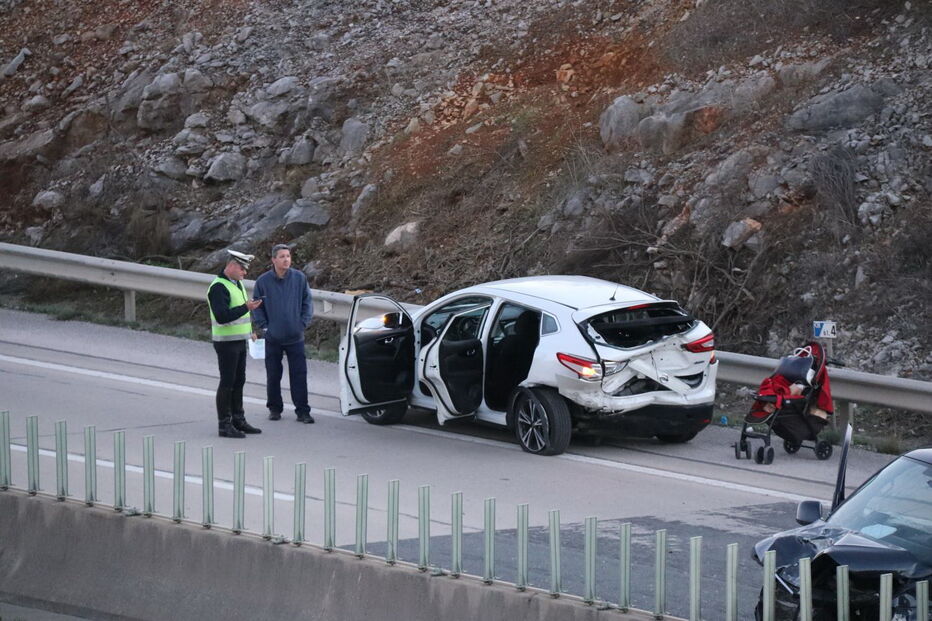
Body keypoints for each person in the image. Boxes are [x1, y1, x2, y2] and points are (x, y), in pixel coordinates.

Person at [252, 244, 315, 423]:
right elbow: (257, 306)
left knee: (299, 375)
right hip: (273, 337)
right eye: (282, 256)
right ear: (273, 260)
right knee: (273, 374)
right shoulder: (263, 282)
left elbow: (307, 302)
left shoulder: (299, 278)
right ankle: (274, 408)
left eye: (288, 256)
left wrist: (301, 323)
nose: (286, 259)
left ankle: (303, 411)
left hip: (295, 337)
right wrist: (265, 328)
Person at [207, 250, 263, 438]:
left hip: (239, 341)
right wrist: (245, 307)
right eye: (241, 268)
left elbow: (241, 314)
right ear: (230, 266)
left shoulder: (236, 283)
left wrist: (250, 331)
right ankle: (224, 425)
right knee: (227, 383)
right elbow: (222, 317)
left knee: (239, 381)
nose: (244, 272)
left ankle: (238, 420)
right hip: (226, 343)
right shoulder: (218, 287)